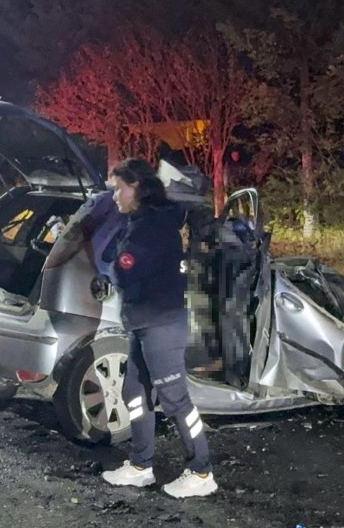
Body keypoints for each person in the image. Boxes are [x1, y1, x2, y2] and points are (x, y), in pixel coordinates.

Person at [99, 158, 217, 499]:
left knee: (175, 400)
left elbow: (124, 268)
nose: (115, 196)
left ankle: (202, 470)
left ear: (136, 187)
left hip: (161, 324)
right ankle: (140, 466)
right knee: (134, 394)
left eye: (119, 189)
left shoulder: (153, 226)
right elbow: (115, 258)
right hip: (141, 321)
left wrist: (113, 267)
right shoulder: (137, 221)